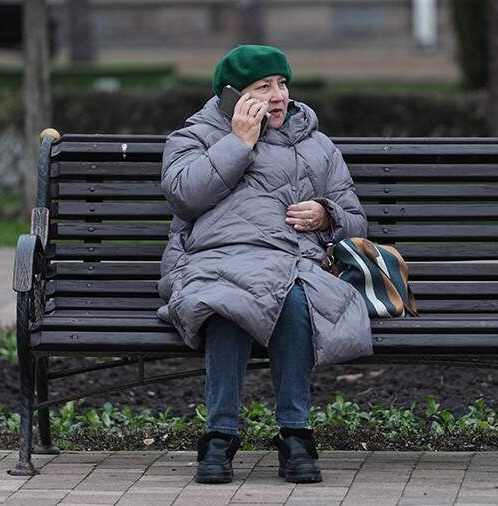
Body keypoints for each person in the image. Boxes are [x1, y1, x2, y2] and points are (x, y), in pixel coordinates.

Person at [155, 45, 373, 484]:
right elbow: (184, 195)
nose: (278, 96)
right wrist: (238, 143)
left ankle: (295, 433)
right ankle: (221, 433)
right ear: (233, 96)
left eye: (282, 84)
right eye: (263, 87)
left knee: (292, 297)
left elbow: (355, 220)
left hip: (294, 263)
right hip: (214, 262)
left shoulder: (317, 144)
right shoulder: (194, 138)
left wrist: (327, 214)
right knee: (228, 300)